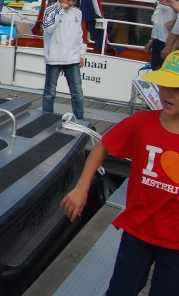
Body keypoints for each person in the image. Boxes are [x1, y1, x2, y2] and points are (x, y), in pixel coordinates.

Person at [60, 50, 179, 296]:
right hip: (138, 230)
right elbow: (103, 146)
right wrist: (81, 188)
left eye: (177, 89)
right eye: (164, 85)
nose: (168, 94)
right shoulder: (140, 123)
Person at [42, 0, 86, 120]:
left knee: (77, 93)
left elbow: (79, 35)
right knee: (50, 92)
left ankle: (80, 119)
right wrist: (60, 10)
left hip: (72, 58)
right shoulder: (50, 10)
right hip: (54, 58)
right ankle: (47, 118)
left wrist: (81, 54)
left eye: (73, 0)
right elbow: (48, 28)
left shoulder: (77, 13)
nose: (71, 3)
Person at [145, 0, 179, 70]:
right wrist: (152, 40)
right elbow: (159, 18)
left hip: (167, 43)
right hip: (159, 41)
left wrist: (168, 46)